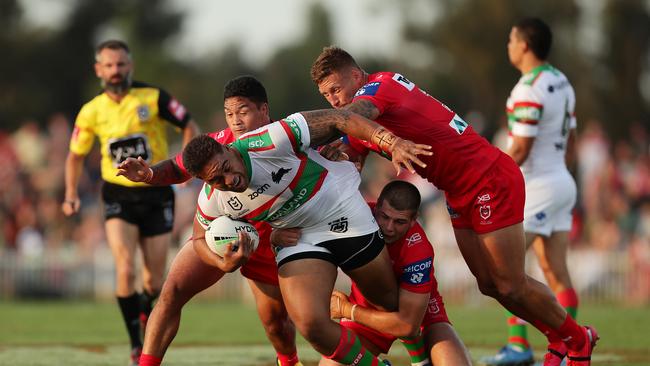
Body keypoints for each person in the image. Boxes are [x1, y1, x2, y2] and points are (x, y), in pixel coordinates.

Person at [310, 46, 598, 366]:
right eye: (327, 95)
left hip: (487, 177)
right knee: (490, 285)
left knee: (510, 282)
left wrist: (294, 133)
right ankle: (560, 338)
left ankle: (575, 338)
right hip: (457, 190)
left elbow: (350, 119)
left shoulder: (379, 87)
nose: (334, 100)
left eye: (336, 89)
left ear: (355, 75)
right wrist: (335, 158)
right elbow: (349, 156)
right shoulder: (360, 121)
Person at [181, 106, 431, 365]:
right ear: (204, 181)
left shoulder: (269, 140)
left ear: (229, 148)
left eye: (227, 167)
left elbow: (340, 118)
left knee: (388, 302)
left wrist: (392, 142)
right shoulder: (212, 200)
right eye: (217, 179)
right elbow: (199, 240)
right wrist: (222, 263)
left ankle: (422, 360)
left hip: (341, 210)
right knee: (311, 324)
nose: (230, 180)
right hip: (298, 237)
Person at [118, 76, 307, 366]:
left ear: (265, 110)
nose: (236, 121)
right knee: (171, 293)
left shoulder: (287, 138)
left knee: (275, 323)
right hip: (219, 231)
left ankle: (289, 362)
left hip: (273, 238)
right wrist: (150, 175)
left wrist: (349, 151)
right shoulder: (220, 144)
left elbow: (335, 130)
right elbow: (179, 166)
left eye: (243, 111)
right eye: (230, 114)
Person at [62, 40, 200, 365]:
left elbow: (189, 125)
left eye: (120, 64)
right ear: (99, 70)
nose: (115, 71)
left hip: (155, 192)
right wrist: (70, 193)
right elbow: (74, 156)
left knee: (152, 280)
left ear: (130, 65)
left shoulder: (153, 97)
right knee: (124, 268)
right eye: (108, 66)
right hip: (118, 196)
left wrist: (186, 167)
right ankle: (136, 345)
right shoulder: (91, 110)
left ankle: (144, 310)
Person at [275, 180, 472, 366]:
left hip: (420, 317)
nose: (388, 227)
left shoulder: (418, 249)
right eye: (384, 216)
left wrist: (347, 310)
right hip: (367, 313)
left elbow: (407, 325)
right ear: (375, 207)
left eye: (399, 222)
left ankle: (420, 356)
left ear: (414, 221)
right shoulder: (358, 214)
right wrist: (276, 234)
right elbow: (312, 219)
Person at [482, 18, 580, 366]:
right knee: (555, 271)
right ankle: (572, 346)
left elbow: (520, 149)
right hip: (561, 181)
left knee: (503, 271)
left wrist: (487, 174)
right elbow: (571, 141)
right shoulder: (562, 81)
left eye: (511, 39)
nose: (508, 45)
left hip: (536, 184)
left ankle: (520, 345)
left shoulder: (528, 87)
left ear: (524, 45)